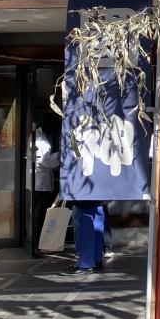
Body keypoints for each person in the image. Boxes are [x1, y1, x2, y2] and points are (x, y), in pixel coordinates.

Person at [28, 113, 61, 258]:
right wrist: (61, 155)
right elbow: (45, 161)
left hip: (41, 181)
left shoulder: (38, 136)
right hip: (39, 183)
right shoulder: (38, 139)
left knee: (40, 214)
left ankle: (39, 245)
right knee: (39, 215)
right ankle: (36, 246)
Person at [65, 201, 105, 275]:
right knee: (96, 212)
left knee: (84, 215)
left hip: (83, 195)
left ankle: (86, 263)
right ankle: (95, 260)